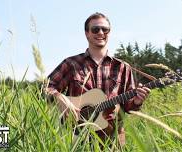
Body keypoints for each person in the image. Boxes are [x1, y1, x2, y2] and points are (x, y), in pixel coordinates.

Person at [45, 12, 150, 146]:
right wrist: (59, 98)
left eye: (105, 29)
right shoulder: (71, 64)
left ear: (109, 33)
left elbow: (128, 107)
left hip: (113, 139)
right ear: (87, 33)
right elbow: (45, 87)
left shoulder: (123, 67)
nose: (101, 32)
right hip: (77, 137)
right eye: (95, 29)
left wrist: (136, 101)